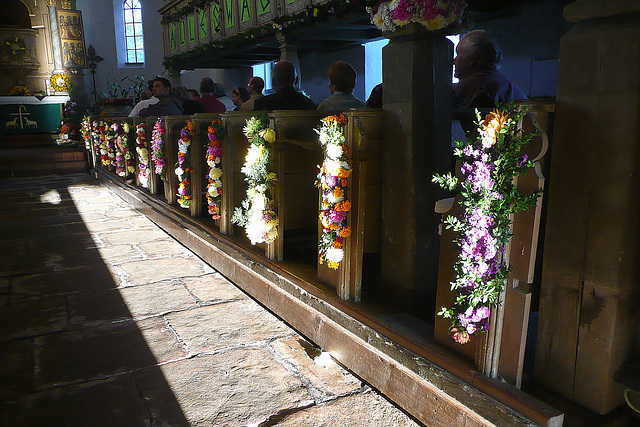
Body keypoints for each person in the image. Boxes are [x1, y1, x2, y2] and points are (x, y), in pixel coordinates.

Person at [453, 30, 526, 108]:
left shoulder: (458, 92)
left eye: (457, 54)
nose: (454, 61)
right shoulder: (512, 88)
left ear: (472, 58)